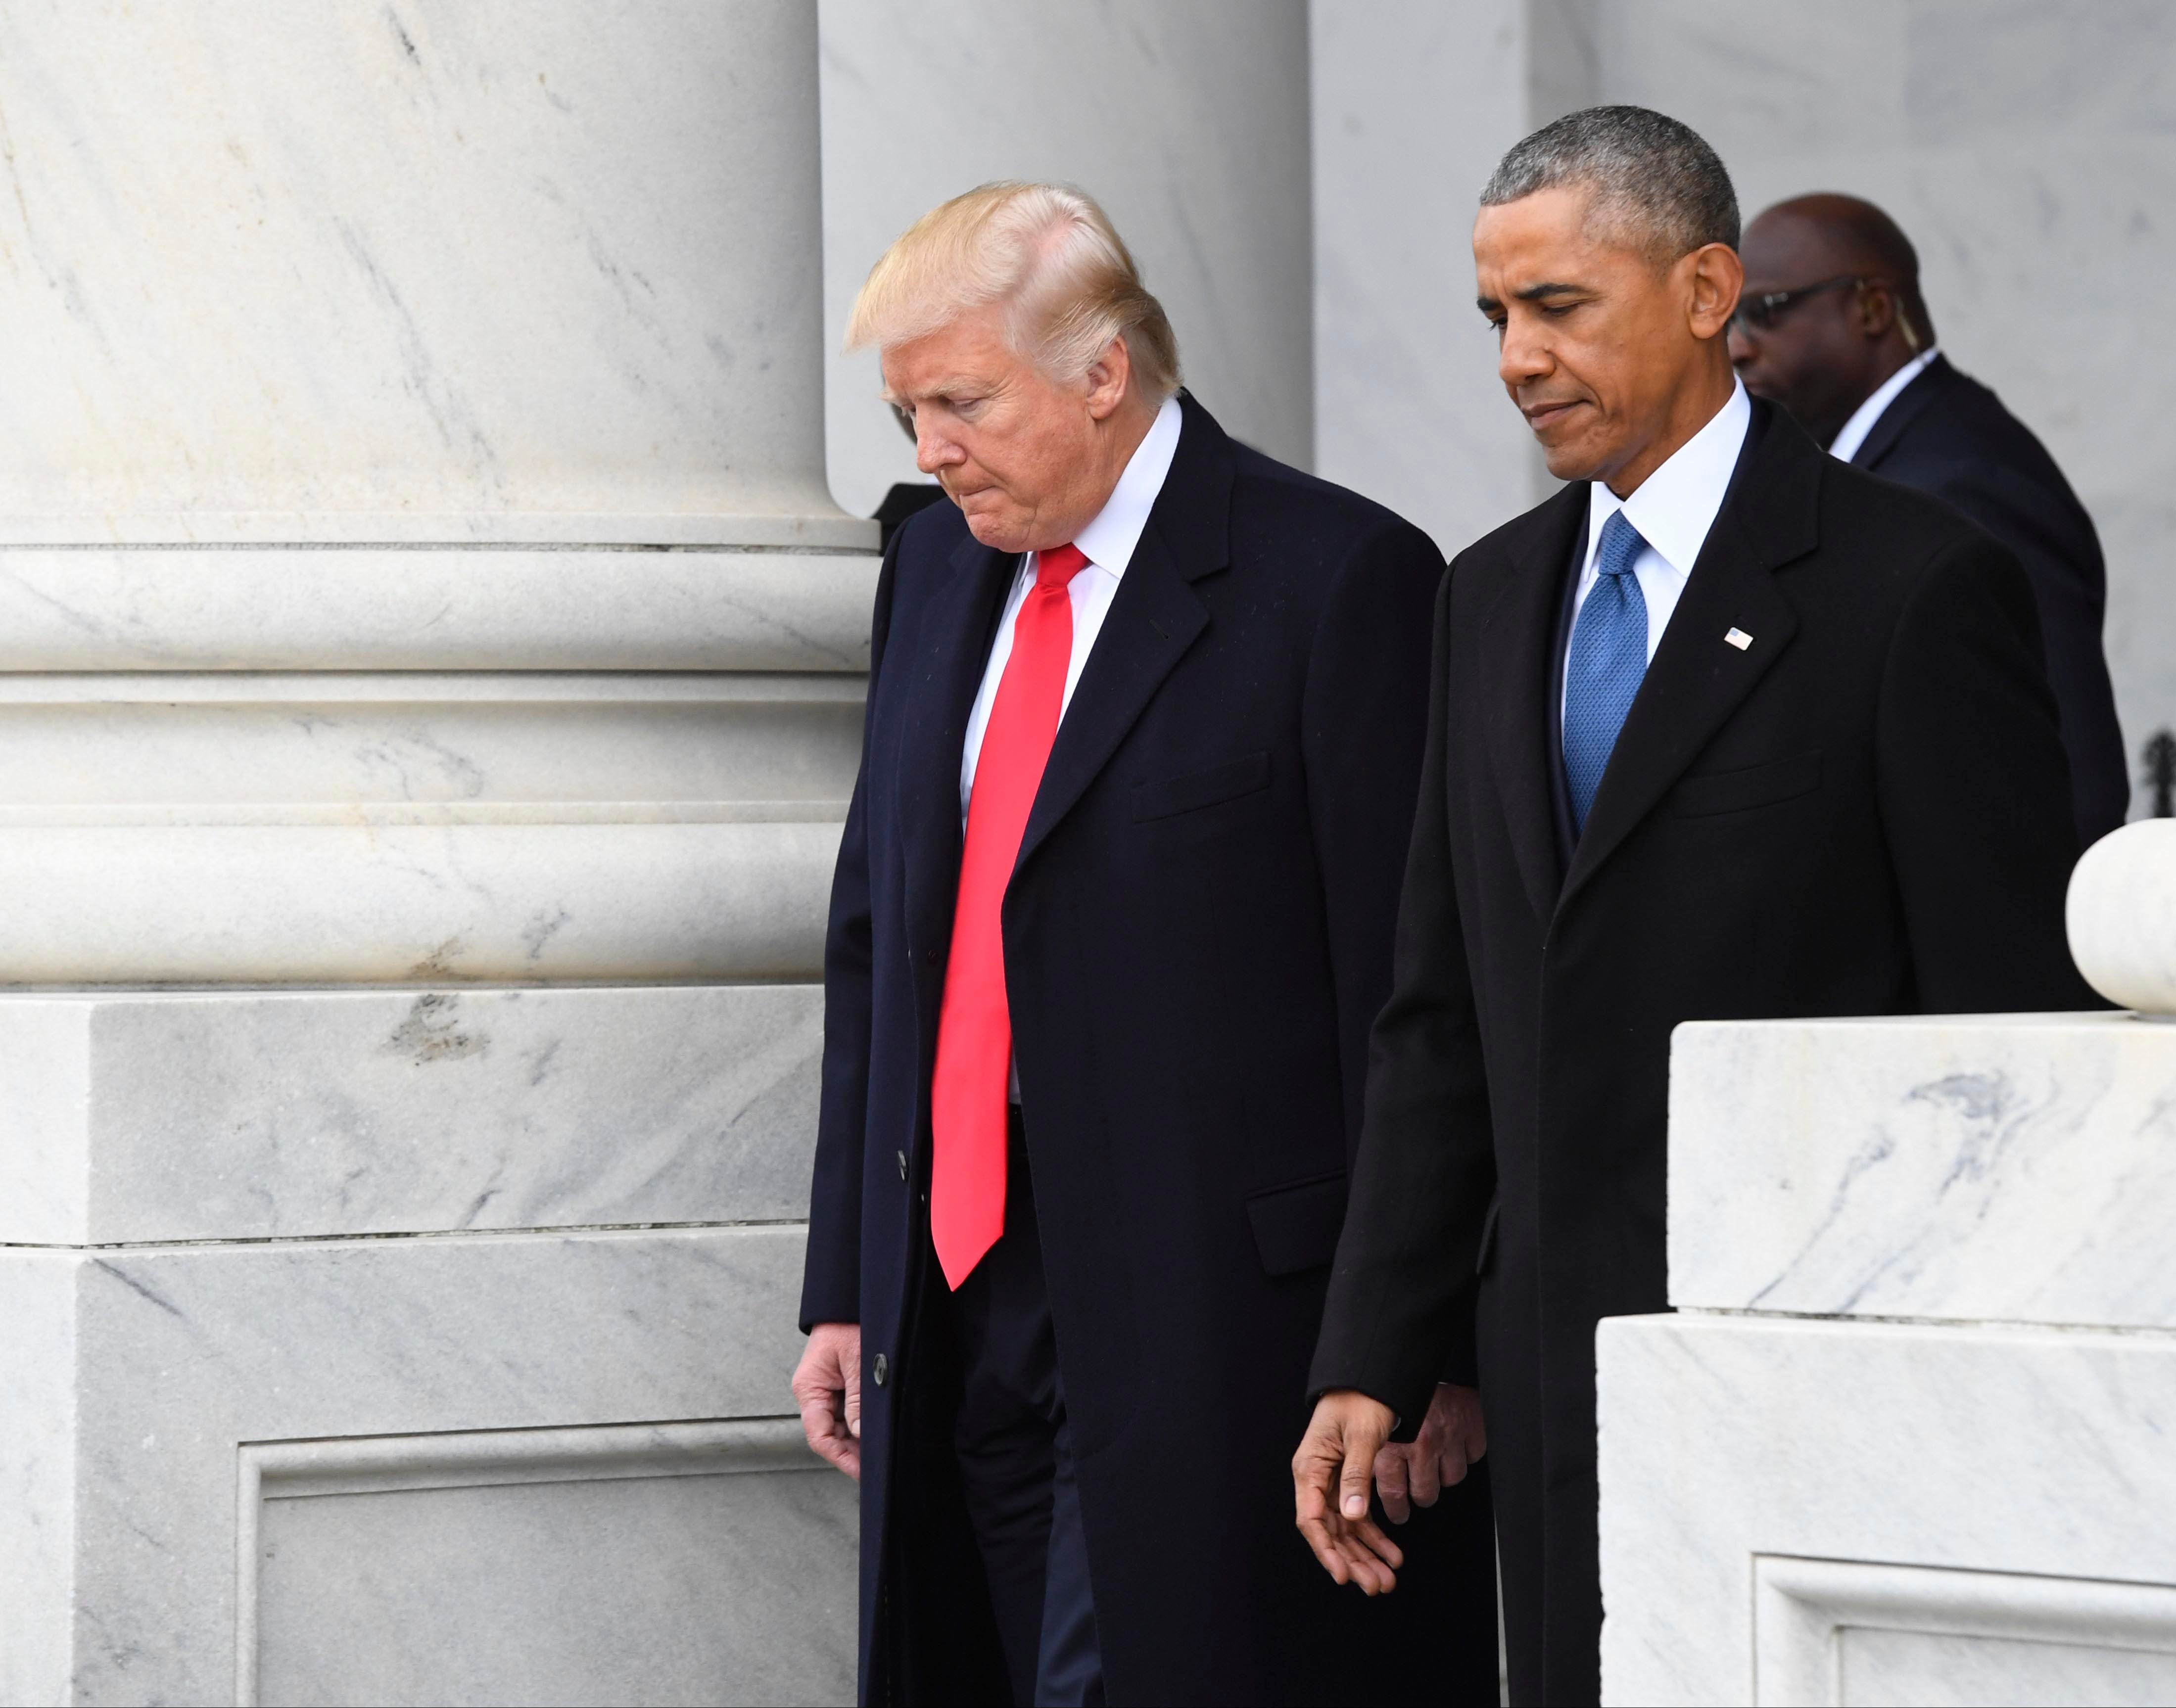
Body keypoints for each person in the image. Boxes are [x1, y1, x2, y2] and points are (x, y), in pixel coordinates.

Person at [1293, 108, 2101, 1706]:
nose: (1517, 357)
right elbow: (1442, 1009)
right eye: (1494, 317)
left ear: (1707, 287)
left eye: (1560, 306)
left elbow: (2009, 1035)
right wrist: (1374, 1350)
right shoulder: (1490, 594)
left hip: (1813, 1370)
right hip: (1550, 1379)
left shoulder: (1915, 589)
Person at [791, 181, 1497, 1706]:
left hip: (1222, 1314)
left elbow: (1415, 994)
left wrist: (1420, 1337)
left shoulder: (1339, 575)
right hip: (957, 1275)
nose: (928, 451)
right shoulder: (930, 569)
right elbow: (879, 940)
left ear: (1102, 372)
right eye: (910, 409)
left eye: (961, 402)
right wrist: (848, 1276)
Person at [1729, 192, 2129, 847]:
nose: (1738, 348)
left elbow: (2069, 775)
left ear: (1872, 308)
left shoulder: (1967, 485)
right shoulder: (1887, 466)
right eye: (1728, 322)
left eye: (1765, 313)